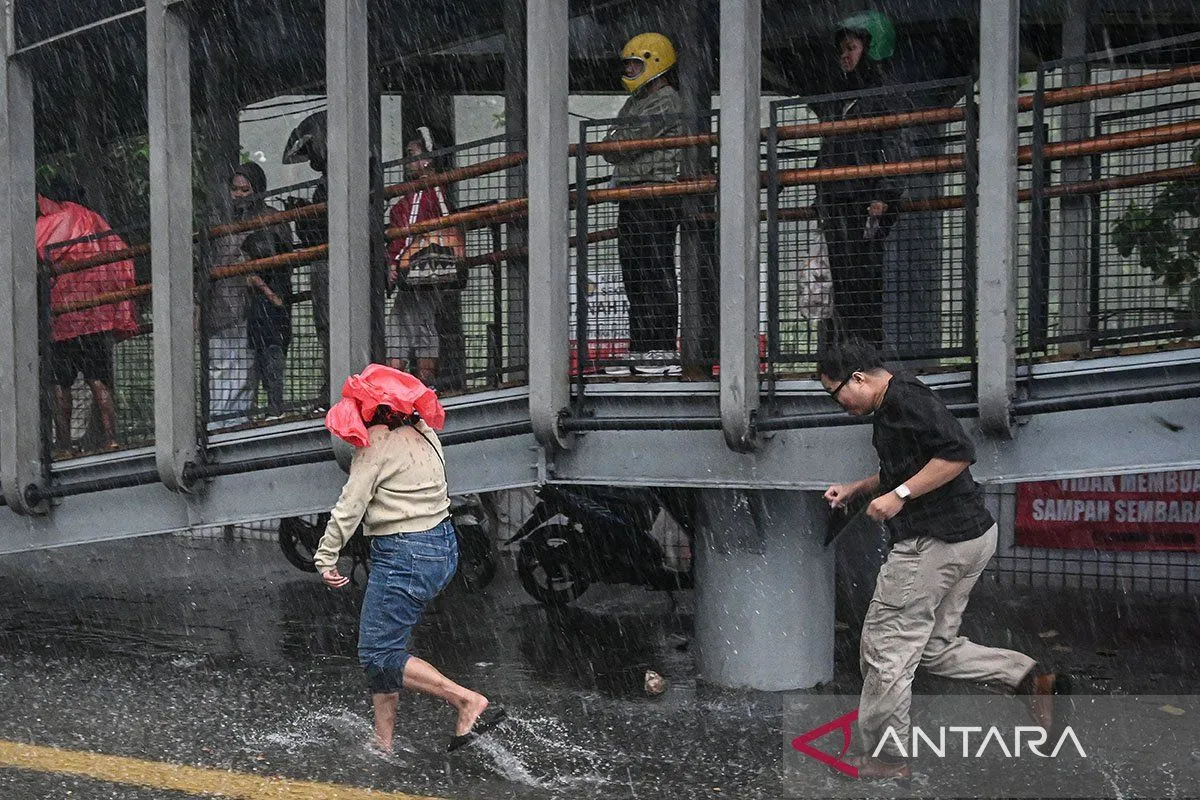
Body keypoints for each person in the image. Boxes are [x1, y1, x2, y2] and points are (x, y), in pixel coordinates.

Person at [817, 340, 1070, 780]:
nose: (838, 405)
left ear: (857, 378)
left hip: (932, 544)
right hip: (970, 537)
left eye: (834, 393)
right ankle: (1029, 680)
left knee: (886, 649)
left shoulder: (903, 401)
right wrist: (859, 488)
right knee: (933, 648)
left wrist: (899, 496)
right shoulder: (898, 399)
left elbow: (957, 453)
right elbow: (911, 463)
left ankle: (887, 758)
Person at [315, 364, 504, 753]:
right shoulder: (425, 432)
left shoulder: (376, 443)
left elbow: (349, 507)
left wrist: (326, 556)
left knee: (378, 653)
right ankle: (383, 743)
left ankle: (466, 701)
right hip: (441, 547)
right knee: (386, 647)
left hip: (405, 553)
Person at [811, 11, 914, 348]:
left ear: (872, 49)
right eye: (842, 49)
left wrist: (884, 194)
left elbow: (896, 146)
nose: (844, 55)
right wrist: (820, 194)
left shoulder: (884, 95)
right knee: (843, 282)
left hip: (864, 201)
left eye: (851, 47)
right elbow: (831, 149)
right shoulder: (844, 96)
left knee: (862, 280)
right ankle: (848, 352)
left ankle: (864, 353)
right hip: (840, 200)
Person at [36, 187, 141, 455]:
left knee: (60, 384)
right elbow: (120, 254)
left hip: (63, 318)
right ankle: (111, 438)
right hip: (95, 317)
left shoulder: (50, 222)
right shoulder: (95, 220)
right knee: (98, 379)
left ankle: (64, 444)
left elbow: (36, 253)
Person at [603, 32, 683, 377]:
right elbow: (612, 144)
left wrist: (618, 142)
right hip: (632, 195)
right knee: (635, 275)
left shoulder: (667, 100)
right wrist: (617, 143)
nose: (630, 71)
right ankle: (641, 349)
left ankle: (661, 349)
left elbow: (624, 142)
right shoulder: (636, 101)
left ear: (655, 62)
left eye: (635, 64)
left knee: (655, 270)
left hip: (656, 194)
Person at [208, 163, 289, 427]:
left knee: (249, 365)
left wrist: (266, 288)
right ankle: (221, 422)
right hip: (227, 305)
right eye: (235, 189)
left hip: (256, 305)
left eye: (245, 190)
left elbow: (279, 257)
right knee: (224, 366)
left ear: (258, 190)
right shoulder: (225, 222)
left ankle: (237, 422)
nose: (239, 195)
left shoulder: (269, 217)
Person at [386, 128, 460, 386]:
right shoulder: (423, 193)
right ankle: (422, 384)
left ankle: (400, 386)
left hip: (421, 269)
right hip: (424, 270)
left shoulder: (428, 191)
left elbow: (410, 233)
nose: (407, 160)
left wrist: (395, 262)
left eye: (412, 154)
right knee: (422, 325)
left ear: (427, 160)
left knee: (401, 326)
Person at [282, 111, 332, 408]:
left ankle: (336, 386)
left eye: (312, 148)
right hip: (327, 261)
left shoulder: (333, 182)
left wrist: (302, 215)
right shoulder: (336, 179)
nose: (310, 156)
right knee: (328, 327)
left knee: (329, 326)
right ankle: (335, 384)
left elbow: (322, 228)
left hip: (329, 263)